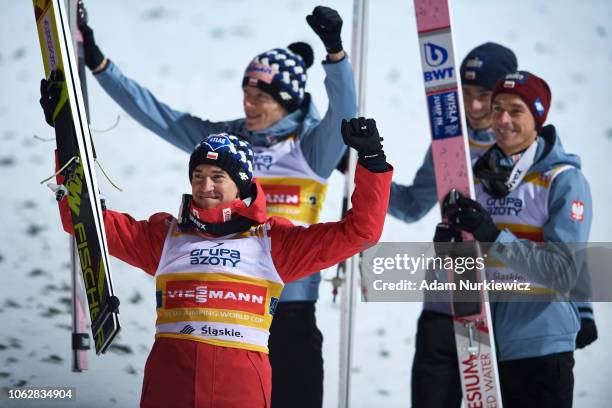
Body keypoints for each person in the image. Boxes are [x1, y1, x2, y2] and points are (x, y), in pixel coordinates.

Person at [40, 67, 391, 406]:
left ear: (239, 185)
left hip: (238, 392)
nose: (205, 186)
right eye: (198, 175)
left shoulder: (272, 242)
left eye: (217, 176)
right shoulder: (165, 237)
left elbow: (360, 232)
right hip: (169, 388)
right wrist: (65, 134)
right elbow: (84, 222)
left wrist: (372, 163)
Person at [77, 3, 355, 406]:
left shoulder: (312, 147)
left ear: (287, 100)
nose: (248, 103)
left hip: (289, 312)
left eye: (260, 96)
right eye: (245, 91)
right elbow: (158, 115)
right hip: (221, 314)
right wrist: (100, 65)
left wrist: (335, 53)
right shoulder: (224, 146)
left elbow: (346, 114)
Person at [440, 70, 592, 407]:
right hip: (482, 344)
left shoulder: (564, 180)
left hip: (540, 345)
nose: (503, 119)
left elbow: (563, 271)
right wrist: (451, 246)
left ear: (537, 118)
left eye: (516, 110)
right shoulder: (477, 176)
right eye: (497, 109)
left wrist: (493, 238)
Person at [388, 42, 518, 407]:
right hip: (444, 304)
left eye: (484, 95)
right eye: (466, 94)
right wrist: (366, 175)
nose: (474, 106)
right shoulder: (447, 144)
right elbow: (413, 205)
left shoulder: (531, 149)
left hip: (505, 311)